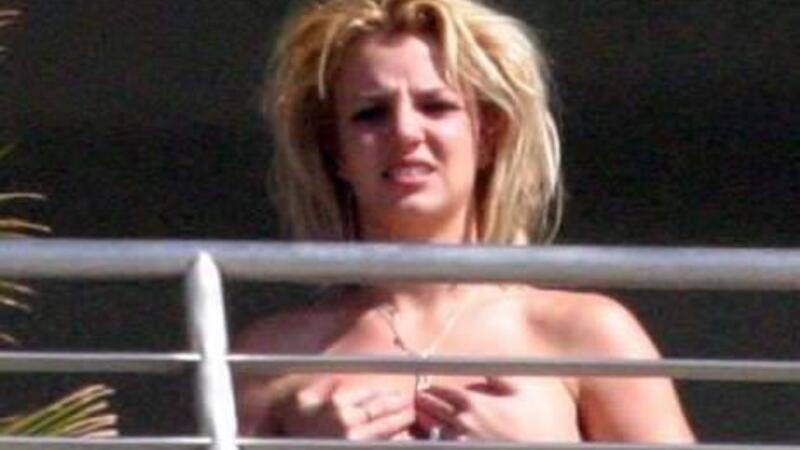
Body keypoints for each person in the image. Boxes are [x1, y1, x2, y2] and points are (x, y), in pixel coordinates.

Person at [235, 0, 695, 442]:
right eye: (370, 113)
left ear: (488, 135)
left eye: (436, 106)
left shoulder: (589, 332)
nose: (406, 132)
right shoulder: (271, 357)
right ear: (337, 152)